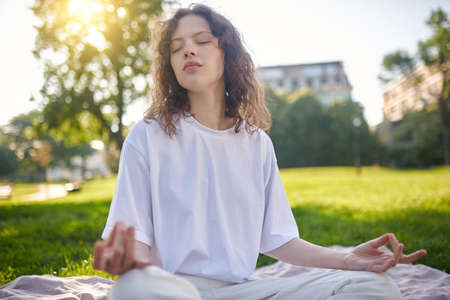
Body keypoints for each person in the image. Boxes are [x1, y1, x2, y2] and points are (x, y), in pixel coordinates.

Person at [92, 4, 427, 299]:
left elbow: (279, 240)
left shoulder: (256, 143)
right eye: (176, 47)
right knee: (133, 291)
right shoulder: (147, 136)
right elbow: (134, 237)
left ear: (227, 52)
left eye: (202, 41)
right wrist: (133, 266)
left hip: (243, 290)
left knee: (375, 289)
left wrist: (346, 260)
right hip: (170, 290)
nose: (188, 51)